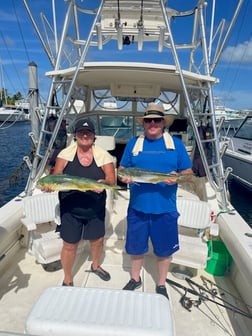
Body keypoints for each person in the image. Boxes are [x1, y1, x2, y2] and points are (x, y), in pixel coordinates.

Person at [118, 103, 193, 299]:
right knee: (135, 248)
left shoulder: (175, 144)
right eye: (148, 120)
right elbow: (122, 169)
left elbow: (188, 173)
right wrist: (123, 177)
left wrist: (177, 177)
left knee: (164, 250)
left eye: (157, 120)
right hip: (137, 208)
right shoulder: (134, 143)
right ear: (143, 123)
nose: (152, 123)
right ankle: (135, 278)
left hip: (165, 209)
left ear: (163, 123)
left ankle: (161, 284)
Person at [52, 117, 116, 286]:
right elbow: (57, 176)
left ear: (94, 136)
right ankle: (67, 278)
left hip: (94, 207)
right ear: (75, 135)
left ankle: (96, 266)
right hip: (70, 208)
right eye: (81, 132)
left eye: (88, 133)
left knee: (97, 240)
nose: (85, 136)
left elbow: (111, 179)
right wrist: (50, 185)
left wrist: (105, 184)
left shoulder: (104, 156)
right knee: (69, 245)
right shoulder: (64, 155)